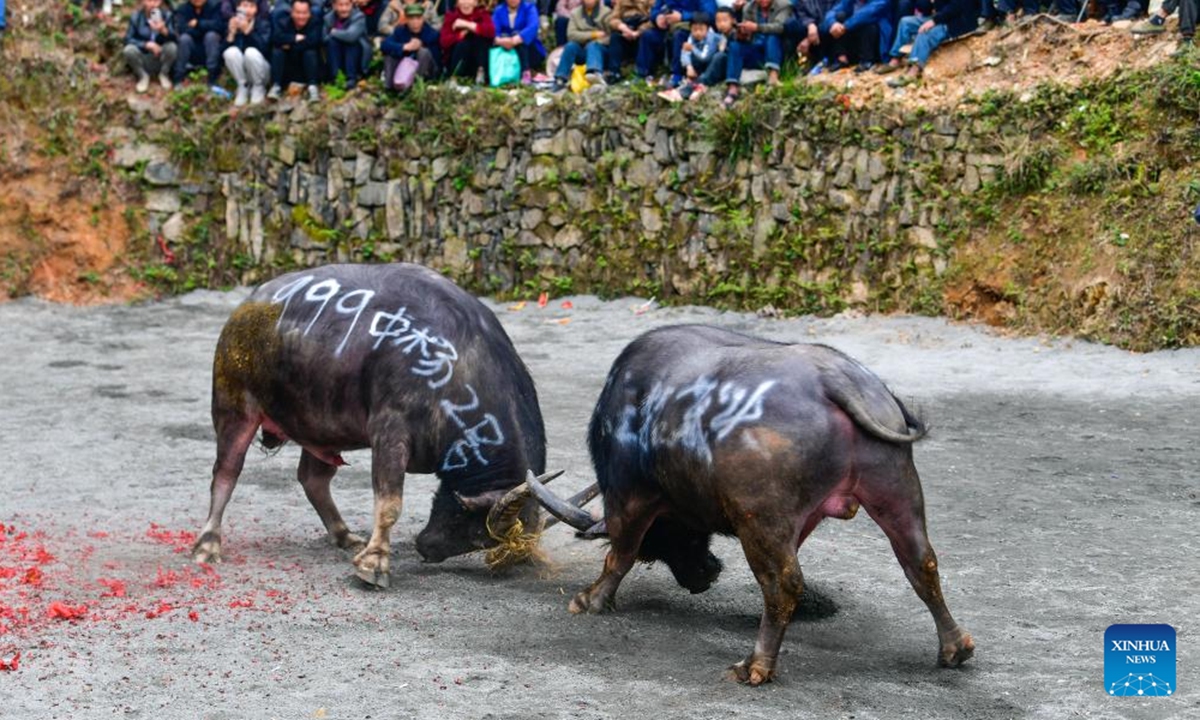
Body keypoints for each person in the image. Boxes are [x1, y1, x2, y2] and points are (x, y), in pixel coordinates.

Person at [874, 0, 974, 87]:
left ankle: (914, 71)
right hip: (941, 17)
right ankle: (895, 60)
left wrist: (934, 21)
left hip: (957, 22)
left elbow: (956, 7)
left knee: (924, 33)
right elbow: (927, 7)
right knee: (905, 22)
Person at [636, 0, 717, 86]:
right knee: (648, 35)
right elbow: (655, 9)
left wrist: (682, 16)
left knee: (679, 35)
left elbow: (710, 14)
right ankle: (643, 73)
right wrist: (657, 17)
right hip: (667, 29)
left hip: (691, 31)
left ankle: (677, 75)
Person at [812, 0, 893, 73]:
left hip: (875, 43)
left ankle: (867, 61)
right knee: (840, 17)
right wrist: (833, 23)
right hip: (854, 39)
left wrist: (845, 26)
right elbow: (833, 11)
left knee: (868, 24)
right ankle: (842, 59)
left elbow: (867, 13)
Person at [656, 10, 721, 101]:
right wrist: (689, 66)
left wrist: (693, 49)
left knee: (706, 69)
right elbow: (685, 52)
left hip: (710, 66)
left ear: (707, 28)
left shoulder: (711, 38)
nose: (697, 32)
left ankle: (684, 92)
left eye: (701, 29)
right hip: (699, 66)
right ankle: (682, 88)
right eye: (694, 30)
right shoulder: (692, 36)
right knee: (688, 60)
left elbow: (705, 57)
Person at [268, 0, 323, 100]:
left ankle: (313, 87)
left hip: (307, 67)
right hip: (288, 67)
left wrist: (289, 44)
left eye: (304, 13)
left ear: (309, 13)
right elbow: (276, 39)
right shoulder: (284, 22)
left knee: (310, 52)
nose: (301, 16)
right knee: (277, 51)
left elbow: (314, 41)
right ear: (292, 12)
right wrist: (294, 38)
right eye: (298, 12)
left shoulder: (315, 21)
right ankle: (276, 86)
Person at [553, 0, 612, 90]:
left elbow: (610, 35)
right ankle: (560, 78)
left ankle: (594, 73)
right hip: (582, 48)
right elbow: (571, 35)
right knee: (570, 46)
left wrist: (598, 41)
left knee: (593, 45)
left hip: (601, 51)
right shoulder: (575, 13)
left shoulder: (606, 12)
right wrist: (593, 35)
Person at [381, 3, 441, 88]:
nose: (415, 22)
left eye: (418, 18)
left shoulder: (431, 33)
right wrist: (404, 47)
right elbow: (384, 45)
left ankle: (416, 86)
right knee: (390, 54)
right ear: (406, 20)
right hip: (405, 69)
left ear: (423, 19)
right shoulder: (400, 31)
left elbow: (435, 59)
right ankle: (390, 86)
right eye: (411, 19)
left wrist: (420, 45)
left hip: (427, 71)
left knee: (423, 52)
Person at [123, 0, 178, 92]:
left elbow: (175, 39)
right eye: (149, 1)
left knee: (172, 47)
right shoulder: (136, 17)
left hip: (161, 57)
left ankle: (164, 74)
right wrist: (146, 44)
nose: (153, 4)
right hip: (143, 57)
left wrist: (164, 31)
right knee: (128, 50)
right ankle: (143, 76)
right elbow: (128, 39)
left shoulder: (167, 16)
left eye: (156, 1)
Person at [223, 0, 271, 104]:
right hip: (244, 72)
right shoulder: (233, 22)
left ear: (256, 9)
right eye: (244, 6)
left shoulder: (262, 23)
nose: (248, 10)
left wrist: (248, 32)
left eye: (252, 6)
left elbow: (265, 49)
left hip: (262, 70)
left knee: (250, 52)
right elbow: (222, 53)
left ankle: (258, 87)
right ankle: (242, 86)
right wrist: (231, 34)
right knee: (230, 52)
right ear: (238, 8)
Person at [733, 0, 791, 86]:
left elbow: (779, 27)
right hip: (757, 48)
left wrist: (757, 27)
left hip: (778, 49)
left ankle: (773, 76)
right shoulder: (748, 7)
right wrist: (743, 34)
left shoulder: (784, 5)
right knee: (734, 46)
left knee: (772, 36)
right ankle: (732, 85)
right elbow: (748, 35)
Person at [440, 0, 495, 84]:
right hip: (458, 61)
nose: (466, 3)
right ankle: (455, 77)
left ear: (475, 3)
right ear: (457, 3)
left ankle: (480, 75)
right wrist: (459, 36)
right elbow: (444, 41)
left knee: (480, 38)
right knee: (463, 44)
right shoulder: (451, 16)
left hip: (477, 61)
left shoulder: (482, 15)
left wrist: (468, 25)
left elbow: (491, 32)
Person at [174, 0, 226, 90]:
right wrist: (204, 29)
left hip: (211, 48)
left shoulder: (215, 6)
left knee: (211, 36)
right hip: (191, 48)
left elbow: (219, 26)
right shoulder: (183, 9)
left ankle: (213, 76)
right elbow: (182, 29)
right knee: (184, 38)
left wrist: (198, 24)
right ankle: (178, 77)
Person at [492, 0, 545, 84]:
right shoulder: (499, 10)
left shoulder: (529, 8)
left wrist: (515, 39)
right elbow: (494, 31)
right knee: (504, 36)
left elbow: (533, 27)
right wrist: (501, 41)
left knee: (518, 35)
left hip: (530, 51)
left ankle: (526, 72)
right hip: (507, 48)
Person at [325, 0, 369, 89]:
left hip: (356, 51)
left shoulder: (358, 16)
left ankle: (351, 77)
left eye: (347, 5)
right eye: (340, 5)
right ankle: (336, 76)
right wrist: (337, 35)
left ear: (351, 5)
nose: (344, 9)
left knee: (351, 43)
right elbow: (324, 37)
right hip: (338, 50)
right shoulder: (328, 18)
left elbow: (351, 36)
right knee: (331, 41)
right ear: (334, 6)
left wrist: (333, 31)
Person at [607, 0, 654, 78]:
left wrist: (638, 32)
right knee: (615, 37)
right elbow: (613, 20)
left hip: (641, 31)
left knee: (647, 36)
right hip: (626, 31)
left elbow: (652, 20)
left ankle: (642, 71)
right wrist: (621, 27)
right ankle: (614, 72)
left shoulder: (649, 2)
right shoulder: (621, 2)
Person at [793, 0, 838, 67]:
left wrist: (808, 40)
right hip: (808, 29)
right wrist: (810, 24)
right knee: (790, 25)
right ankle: (801, 62)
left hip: (830, 29)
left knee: (830, 25)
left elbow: (834, 13)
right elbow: (800, 14)